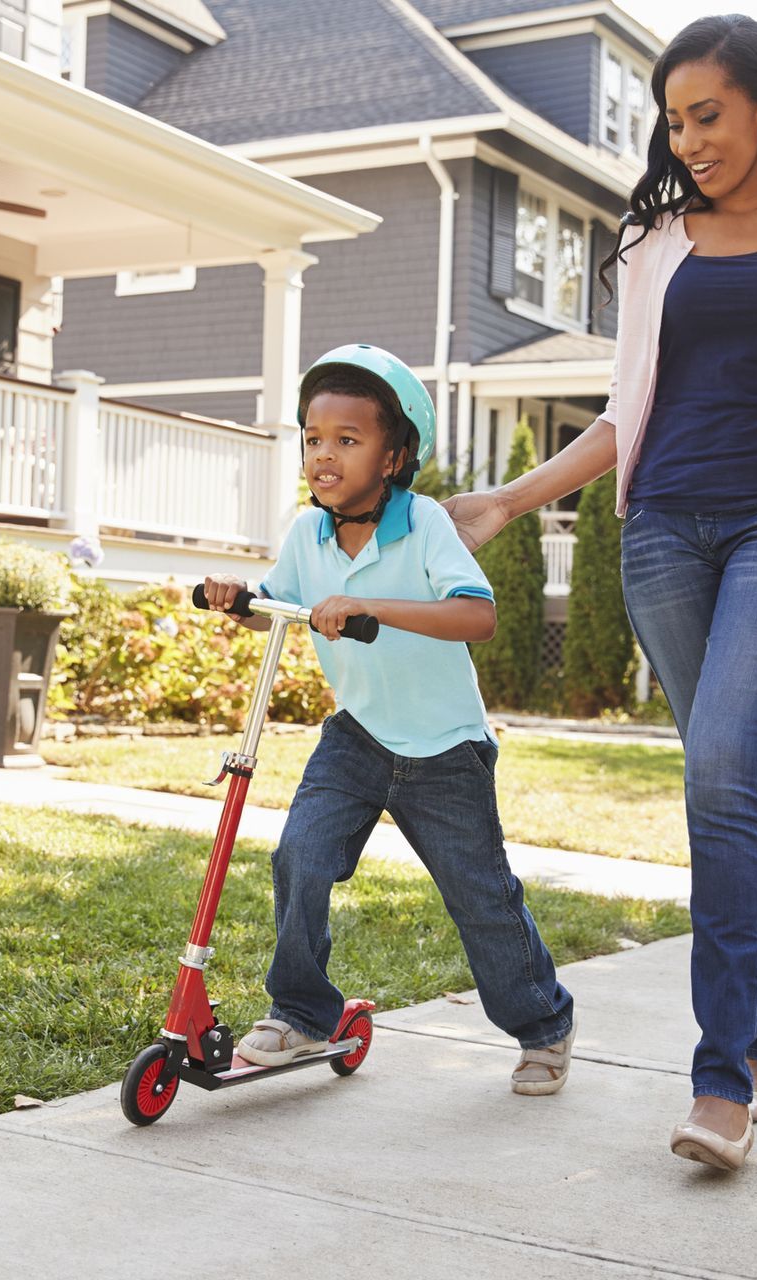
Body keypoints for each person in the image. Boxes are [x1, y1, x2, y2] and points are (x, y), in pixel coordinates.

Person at [444, 15, 757, 1168]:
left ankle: (719, 1082)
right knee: (731, 782)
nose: (687, 140)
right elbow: (621, 411)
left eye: (708, 115)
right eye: (673, 121)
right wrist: (508, 499)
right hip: (659, 534)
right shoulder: (654, 236)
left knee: (717, 771)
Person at [202, 343, 578, 1095]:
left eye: (348, 440)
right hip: (359, 736)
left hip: (446, 750)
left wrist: (371, 606)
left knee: (479, 896)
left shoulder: (427, 523)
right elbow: (283, 604)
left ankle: (543, 1025)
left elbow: (477, 617)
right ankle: (304, 1010)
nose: (324, 456)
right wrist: (238, 598)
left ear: (394, 454)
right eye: (314, 439)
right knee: (300, 858)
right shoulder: (306, 535)